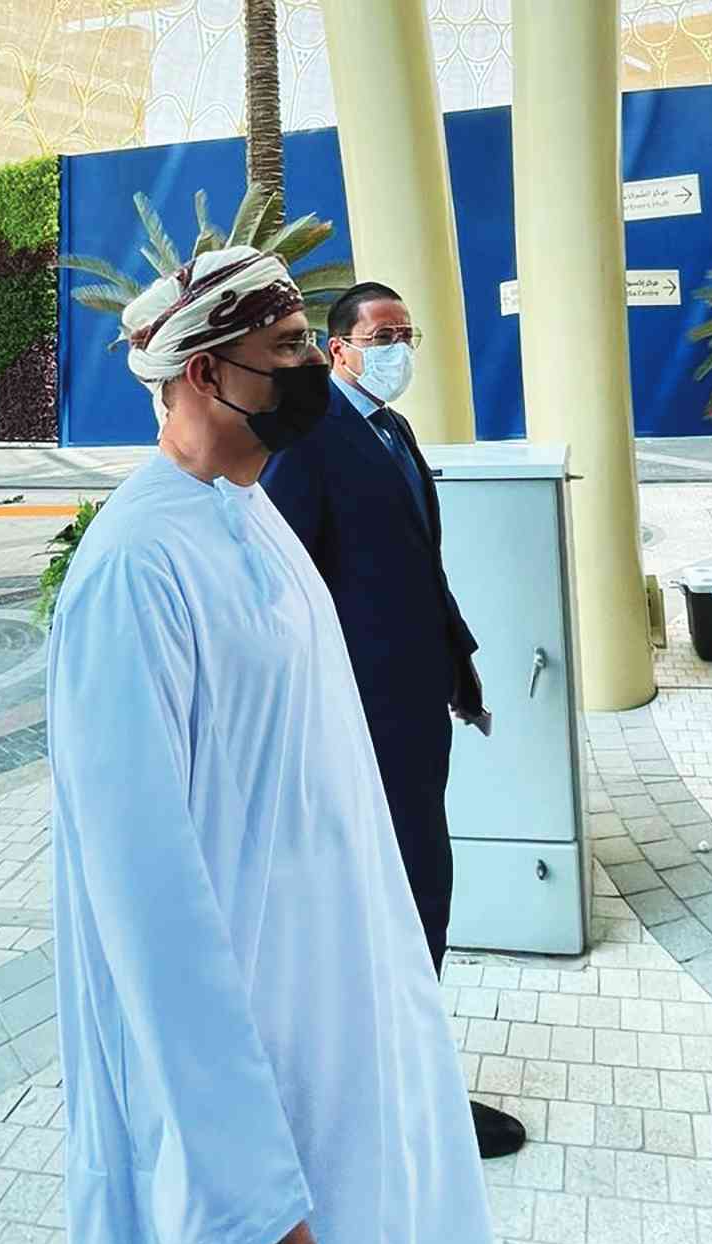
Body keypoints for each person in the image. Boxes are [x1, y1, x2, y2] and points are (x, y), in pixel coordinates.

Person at [46, 247, 506, 1244]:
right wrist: (238, 1193)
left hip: (339, 1018)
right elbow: (146, 897)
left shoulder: (250, 515)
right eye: (290, 348)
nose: (312, 370)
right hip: (244, 1066)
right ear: (206, 372)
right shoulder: (133, 570)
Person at [260, 282, 527, 1160]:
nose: (399, 348)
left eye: (408, 333)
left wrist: (459, 658)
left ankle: (405, 1079)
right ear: (337, 348)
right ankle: (400, 1097)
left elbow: (418, 565)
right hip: (356, 718)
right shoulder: (311, 441)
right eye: (382, 336)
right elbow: (287, 586)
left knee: (421, 890)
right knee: (397, 896)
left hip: (415, 707)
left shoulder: (394, 430)